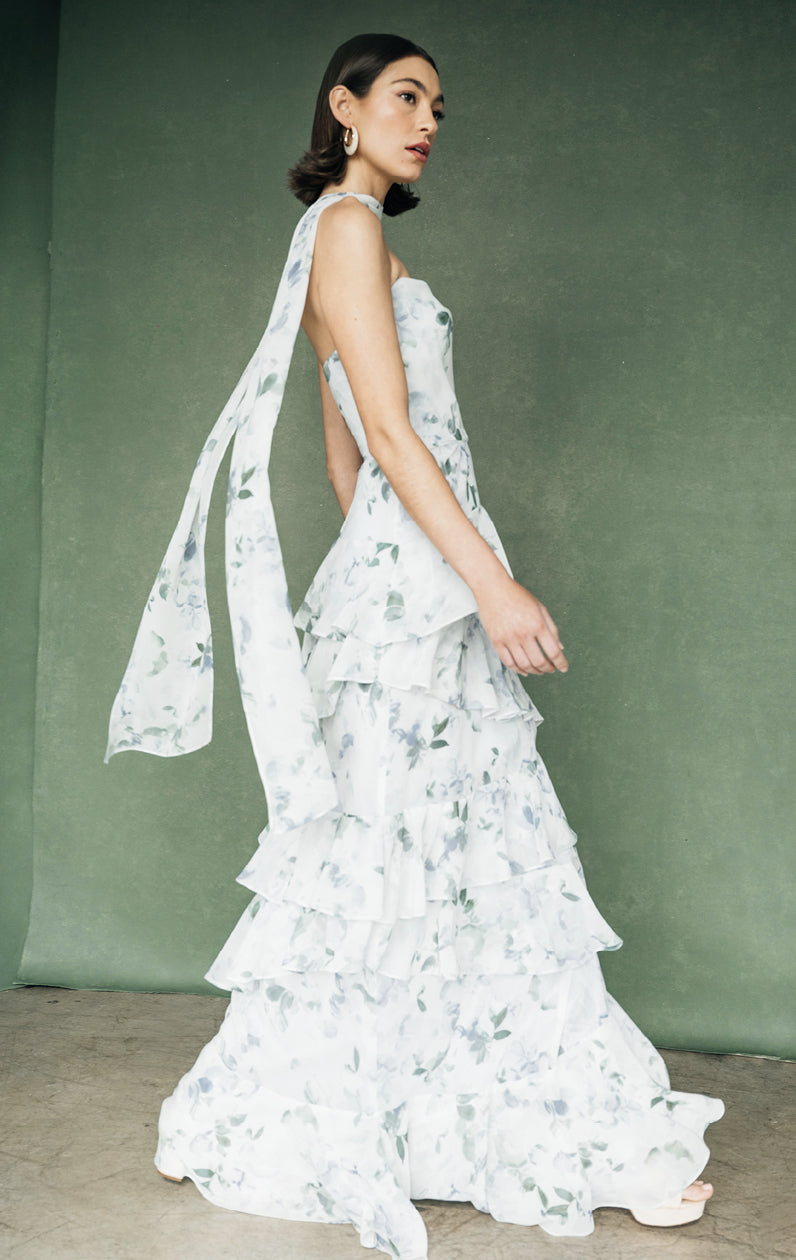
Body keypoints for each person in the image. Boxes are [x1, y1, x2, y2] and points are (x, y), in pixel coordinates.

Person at [106, 32, 724, 1260]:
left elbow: (347, 457)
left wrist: (401, 579)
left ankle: (496, 1123)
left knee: (429, 859)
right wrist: (485, 584)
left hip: (404, 592)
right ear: (342, 106)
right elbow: (383, 435)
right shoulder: (344, 228)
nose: (428, 118)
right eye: (404, 96)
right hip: (429, 588)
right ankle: (543, 1137)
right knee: (426, 855)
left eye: (438, 103)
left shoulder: (353, 239)